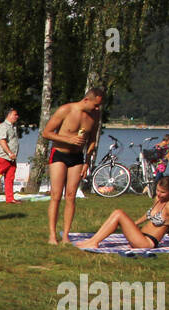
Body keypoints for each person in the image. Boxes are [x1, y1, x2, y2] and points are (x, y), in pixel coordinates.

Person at [41, 86, 104, 245]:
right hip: (59, 154)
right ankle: (52, 235)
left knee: (71, 196)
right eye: (95, 105)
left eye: (99, 106)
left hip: (77, 157)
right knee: (56, 195)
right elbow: (46, 133)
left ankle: (66, 235)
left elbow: (92, 140)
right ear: (86, 99)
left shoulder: (95, 115)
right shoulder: (66, 110)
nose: (96, 108)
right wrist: (68, 139)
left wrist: (87, 161)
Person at [75, 176, 169, 251]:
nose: (159, 194)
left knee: (119, 213)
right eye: (158, 190)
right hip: (140, 236)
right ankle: (93, 240)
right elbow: (147, 216)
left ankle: (94, 242)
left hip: (147, 243)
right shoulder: (158, 199)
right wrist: (133, 224)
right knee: (117, 213)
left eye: (163, 192)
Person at [0, 108, 20, 204]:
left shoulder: (13, 127)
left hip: (11, 158)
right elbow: (2, 141)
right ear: (9, 115)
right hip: (3, 156)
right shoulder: (3, 126)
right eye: (15, 114)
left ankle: (10, 198)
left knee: (10, 178)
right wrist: (9, 153)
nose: (17, 117)